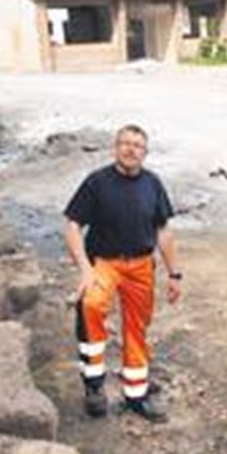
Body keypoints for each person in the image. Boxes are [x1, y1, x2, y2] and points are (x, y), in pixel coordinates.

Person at [63, 124, 181, 423]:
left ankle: (136, 394)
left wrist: (174, 273)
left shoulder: (153, 184)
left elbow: (164, 230)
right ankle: (94, 386)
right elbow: (73, 226)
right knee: (90, 308)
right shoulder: (97, 183)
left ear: (145, 152)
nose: (131, 150)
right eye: (125, 144)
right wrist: (85, 269)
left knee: (137, 328)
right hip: (104, 263)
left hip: (141, 266)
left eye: (137, 145)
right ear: (115, 148)